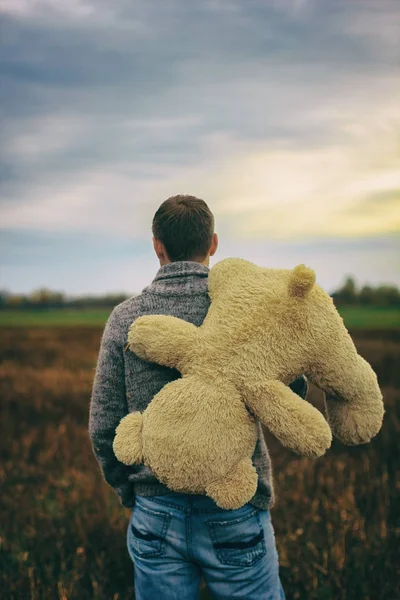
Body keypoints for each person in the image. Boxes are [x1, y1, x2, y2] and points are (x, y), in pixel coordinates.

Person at [89, 195, 308, 600]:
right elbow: (289, 393)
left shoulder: (125, 318)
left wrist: (131, 492)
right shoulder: (247, 313)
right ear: (213, 243)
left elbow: (104, 426)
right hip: (235, 506)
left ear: (157, 245)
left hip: (154, 510)